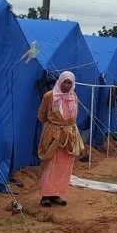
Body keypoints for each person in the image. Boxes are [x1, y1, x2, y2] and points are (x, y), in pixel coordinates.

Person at [37, 71, 83, 207]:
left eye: (70, 82)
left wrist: (68, 129)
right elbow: (42, 115)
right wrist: (53, 127)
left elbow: (75, 116)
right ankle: (45, 195)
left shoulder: (74, 97)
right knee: (51, 163)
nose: (67, 85)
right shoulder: (49, 96)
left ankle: (56, 193)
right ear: (60, 81)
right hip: (53, 134)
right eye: (65, 82)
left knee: (64, 165)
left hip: (69, 135)